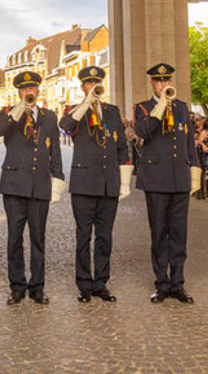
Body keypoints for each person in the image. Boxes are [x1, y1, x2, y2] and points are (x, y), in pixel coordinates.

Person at [0, 72, 65, 306]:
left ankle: (37, 287)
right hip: (14, 186)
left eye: (32, 88)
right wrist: (19, 109)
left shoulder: (49, 117)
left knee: (38, 238)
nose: (28, 92)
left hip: (39, 185)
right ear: (19, 92)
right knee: (14, 239)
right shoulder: (8, 114)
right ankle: (17, 287)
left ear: (38, 91)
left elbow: (55, 150)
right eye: (24, 89)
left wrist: (57, 179)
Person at [59, 66, 130, 303]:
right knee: (83, 237)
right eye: (89, 83)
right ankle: (84, 284)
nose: (93, 86)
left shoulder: (112, 111)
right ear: (82, 87)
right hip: (84, 185)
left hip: (108, 184)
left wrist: (124, 181)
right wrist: (86, 103)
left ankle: (101, 283)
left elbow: (121, 148)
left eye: (97, 83)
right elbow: (66, 126)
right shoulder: (75, 110)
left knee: (104, 237)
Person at [133, 63, 197, 304]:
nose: (163, 85)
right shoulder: (143, 107)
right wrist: (160, 105)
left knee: (179, 234)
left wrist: (195, 171)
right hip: (156, 179)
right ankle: (161, 284)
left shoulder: (181, 108)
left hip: (179, 178)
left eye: (167, 81)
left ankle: (178, 284)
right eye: (159, 81)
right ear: (152, 83)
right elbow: (143, 131)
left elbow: (189, 142)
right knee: (159, 233)